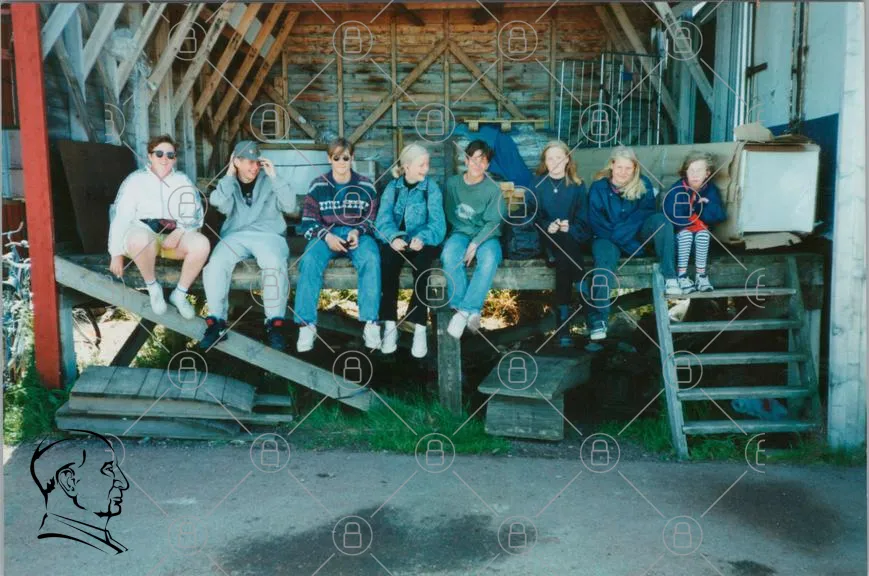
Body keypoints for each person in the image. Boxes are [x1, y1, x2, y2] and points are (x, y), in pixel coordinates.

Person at [199, 141, 293, 351]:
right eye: (249, 162)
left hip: (268, 235)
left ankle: (274, 324)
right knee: (216, 263)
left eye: (257, 162)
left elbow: (289, 205)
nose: (254, 167)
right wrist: (229, 175)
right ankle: (216, 322)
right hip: (236, 236)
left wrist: (274, 177)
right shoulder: (230, 183)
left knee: (273, 262)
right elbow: (217, 201)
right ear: (237, 162)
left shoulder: (270, 180)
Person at [108, 135, 210, 319]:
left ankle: (180, 294)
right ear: (150, 156)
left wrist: (179, 231)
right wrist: (116, 253)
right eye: (159, 154)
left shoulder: (182, 181)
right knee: (139, 239)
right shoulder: (135, 180)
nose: (165, 159)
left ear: (175, 159)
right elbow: (120, 217)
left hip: (174, 238)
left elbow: (194, 213)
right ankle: (153, 287)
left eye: (170, 155)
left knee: (202, 244)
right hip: (145, 236)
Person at [295, 138, 381, 352]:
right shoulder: (318, 185)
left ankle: (371, 322)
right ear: (329, 159)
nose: (341, 162)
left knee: (371, 258)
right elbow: (308, 222)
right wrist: (326, 236)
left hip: (356, 235)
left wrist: (358, 231)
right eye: (336, 158)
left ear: (352, 158)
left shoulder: (366, 185)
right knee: (309, 259)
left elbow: (372, 220)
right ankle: (306, 324)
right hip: (326, 235)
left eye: (345, 157)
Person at [586, 146, 679, 341]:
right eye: (619, 167)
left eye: (628, 168)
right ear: (612, 166)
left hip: (635, 236)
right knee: (603, 261)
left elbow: (644, 215)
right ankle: (599, 320)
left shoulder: (643, 184)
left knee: (661, 221)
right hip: (606, 237)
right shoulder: (598, 188)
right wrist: (626, 244)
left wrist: (628, 240)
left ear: (635, 168)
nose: (623, 172)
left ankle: (670, 276)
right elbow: (595, 222)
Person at [375, 142, 446, 358]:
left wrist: (422, 238)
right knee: (388, 265)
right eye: (421, 165)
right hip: (398, 241)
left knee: (423, 268)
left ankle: (419, 326)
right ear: (406, 166)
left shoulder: (431, 189)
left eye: (427, 164)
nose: (426, 169)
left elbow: (438, 224)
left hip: (422, 242)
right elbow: (382, 220)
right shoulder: (392, 188)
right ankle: (389, 325)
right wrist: (393, 237)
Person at [441, 140, 505, 339]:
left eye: (483, 160)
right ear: (466, 160)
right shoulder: (452, 185)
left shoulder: (493, 189)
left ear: (488, 164)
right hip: (460, 232)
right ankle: (466, 310)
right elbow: (443, 213)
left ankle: (464, 311)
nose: (478, 164)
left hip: (486, 235)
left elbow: (494, 222)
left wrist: (475, 243)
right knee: (449, 255)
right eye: (474, 159)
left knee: (490, 258)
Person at [532, 140, 591, 348]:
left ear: (567, 160)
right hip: (546, 242)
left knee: (565, 255)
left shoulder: (577, 185)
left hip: (571, 241)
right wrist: (547, 226)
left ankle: (563, 325)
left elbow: (584, 220)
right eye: (550, 158)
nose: (555, 162)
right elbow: (531, 217)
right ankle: (588, 306)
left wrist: (570, 227)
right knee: (565, 251)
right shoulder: (537, 184)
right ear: (545, 162)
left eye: (559, 157)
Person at [30, 432, 129, 554]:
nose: (123, 483)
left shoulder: (102, 542)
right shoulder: (64, 550)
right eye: (108, 469)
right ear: (69, 482)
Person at [662, 150, 727, 293]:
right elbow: (673, 216)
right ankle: (682, 276)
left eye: (699, 170)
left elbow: (719, 216)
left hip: (699, 240)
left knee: (704, 234)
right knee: (686, 234)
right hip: (678, 239)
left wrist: (703, 206)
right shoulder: (677, 189)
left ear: (707, 173)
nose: (695, 174)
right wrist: (691, 215)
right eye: (691, 170)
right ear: (685, 172)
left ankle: (701, 276)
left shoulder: (710, 190)